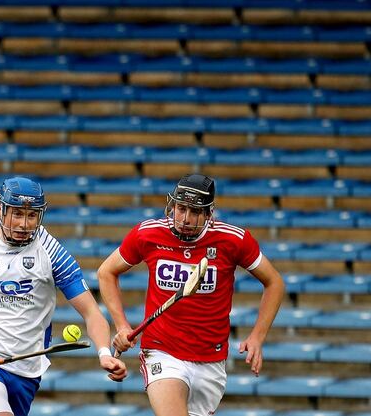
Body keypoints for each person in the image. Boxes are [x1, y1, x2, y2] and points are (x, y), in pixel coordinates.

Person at [0, 176, 127, 416]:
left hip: (27, 369)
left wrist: (104, 353)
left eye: (31, 215)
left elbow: (91, 312)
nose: (24, 224)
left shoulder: (51, 251)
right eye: (17, 214)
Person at [97, 173, 285, 416]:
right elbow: (106, 272)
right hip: (162, 351)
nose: (185, 218)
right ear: (172, 205)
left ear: (208, 214)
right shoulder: (148, 234)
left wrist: (257, 337)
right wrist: (122, 326)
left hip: (211, 359)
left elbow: (275, 282)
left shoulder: (233, 240)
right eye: (180, 208)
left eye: (194, 212)